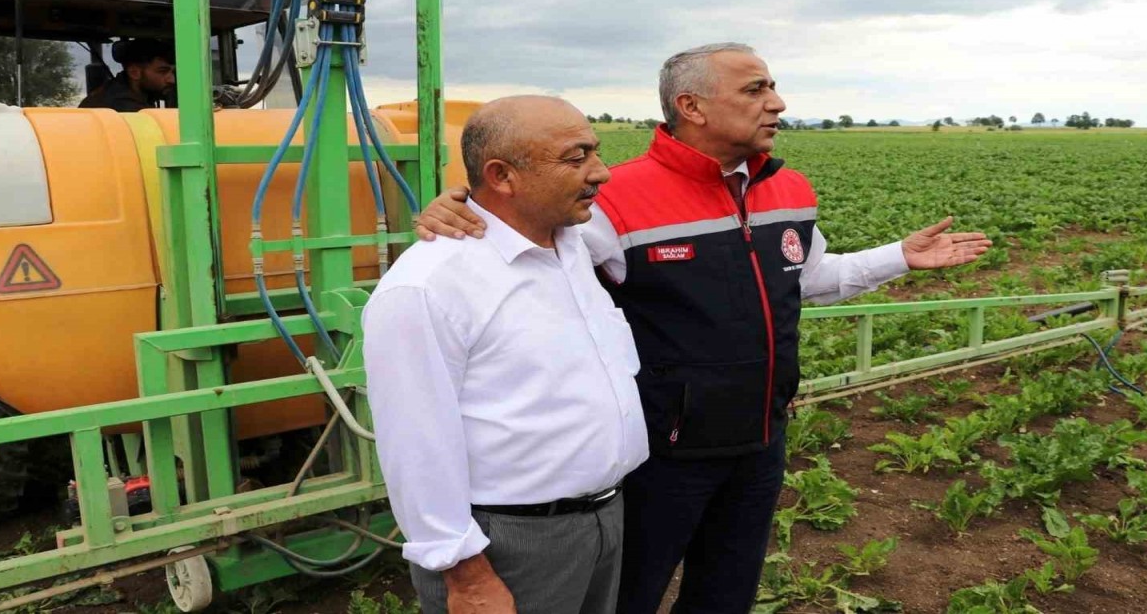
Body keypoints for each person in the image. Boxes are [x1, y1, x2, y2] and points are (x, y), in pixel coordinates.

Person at [415, 44, 993, 613]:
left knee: (726, 592)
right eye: (755, 89)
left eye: (772, 87)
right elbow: (525, 235)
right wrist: (461, 209)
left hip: (760, 439)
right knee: (629, 595)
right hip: (662, 455)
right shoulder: (613, 198)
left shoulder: (788, 189)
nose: (777, 103)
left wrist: (900, 255)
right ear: (691, 106)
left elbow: (808, 277)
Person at [363, 95, 649, 614]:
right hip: (510, 540)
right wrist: (465, 574)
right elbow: (416, 443)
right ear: (502, 175)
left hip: (603, 518)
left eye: (596, 152)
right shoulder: (430, 284)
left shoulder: (570, 245)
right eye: (576, 157)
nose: (601, 172)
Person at [78, 38, 176, 112]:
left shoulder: (127, 94)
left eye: (172, 72)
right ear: (134, 72)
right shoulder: (124, 107)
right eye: (162, 71)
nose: (172, 80)